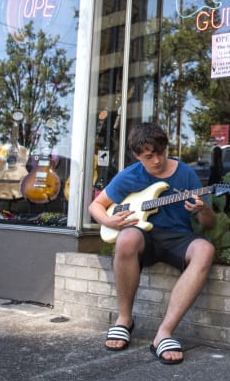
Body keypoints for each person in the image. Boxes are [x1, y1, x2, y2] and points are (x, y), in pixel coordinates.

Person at [88, 122, 216, 362]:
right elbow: (95, 205)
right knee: (126, 239)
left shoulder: (186, 174)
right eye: (149, 156)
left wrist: (203, 209)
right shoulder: (129, 175)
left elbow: (209, 224)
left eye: (160, 153)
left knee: (205, 250)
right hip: (143, 235)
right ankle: (124, 320)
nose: (156, 160)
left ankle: (164, 333)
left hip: (179, 236)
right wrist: (110, 221)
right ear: (137, 156)